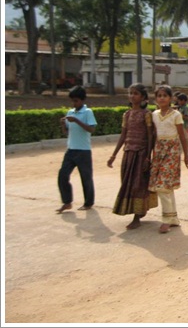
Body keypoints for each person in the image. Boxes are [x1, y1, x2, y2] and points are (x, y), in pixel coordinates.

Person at [107, 83, 158, 230]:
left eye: (135, 93)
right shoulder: (127, 114)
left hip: (140, 154)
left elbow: (150, 136)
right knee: (127, 183)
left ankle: (137, 216)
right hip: (128, 153)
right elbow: (123, 135)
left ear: (143, 97)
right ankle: (137, 210)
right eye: (130, 93)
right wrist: (114, 155)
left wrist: (148, 156)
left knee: (138, 185)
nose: (132, 96)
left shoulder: (146, 114)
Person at [148, 85, 188, 234]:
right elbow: (153, 135)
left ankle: (166, 220)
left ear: (170, 98)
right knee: (167, 187)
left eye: (164, 96)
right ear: (156, 99)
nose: (162, 98)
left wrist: (186, 156)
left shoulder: (176, 115)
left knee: (163, 185)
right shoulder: (154, 114)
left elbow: (182, 136)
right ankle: (173, 218)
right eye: (159, 96)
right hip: (158, 151)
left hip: (172, 151)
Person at [56, 86, 97, 214]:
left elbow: (91, 129)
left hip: (83, 150)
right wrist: (63, 125)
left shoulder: (88, 112)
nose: (74, 103)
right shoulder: (70, 112)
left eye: (76, 101)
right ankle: (67, 202)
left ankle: (88, 202)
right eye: (72, 101)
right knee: (62, 175)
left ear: (82, 100)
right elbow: (67, 133)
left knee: (86, 178)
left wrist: (77, 121)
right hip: (71, 149)